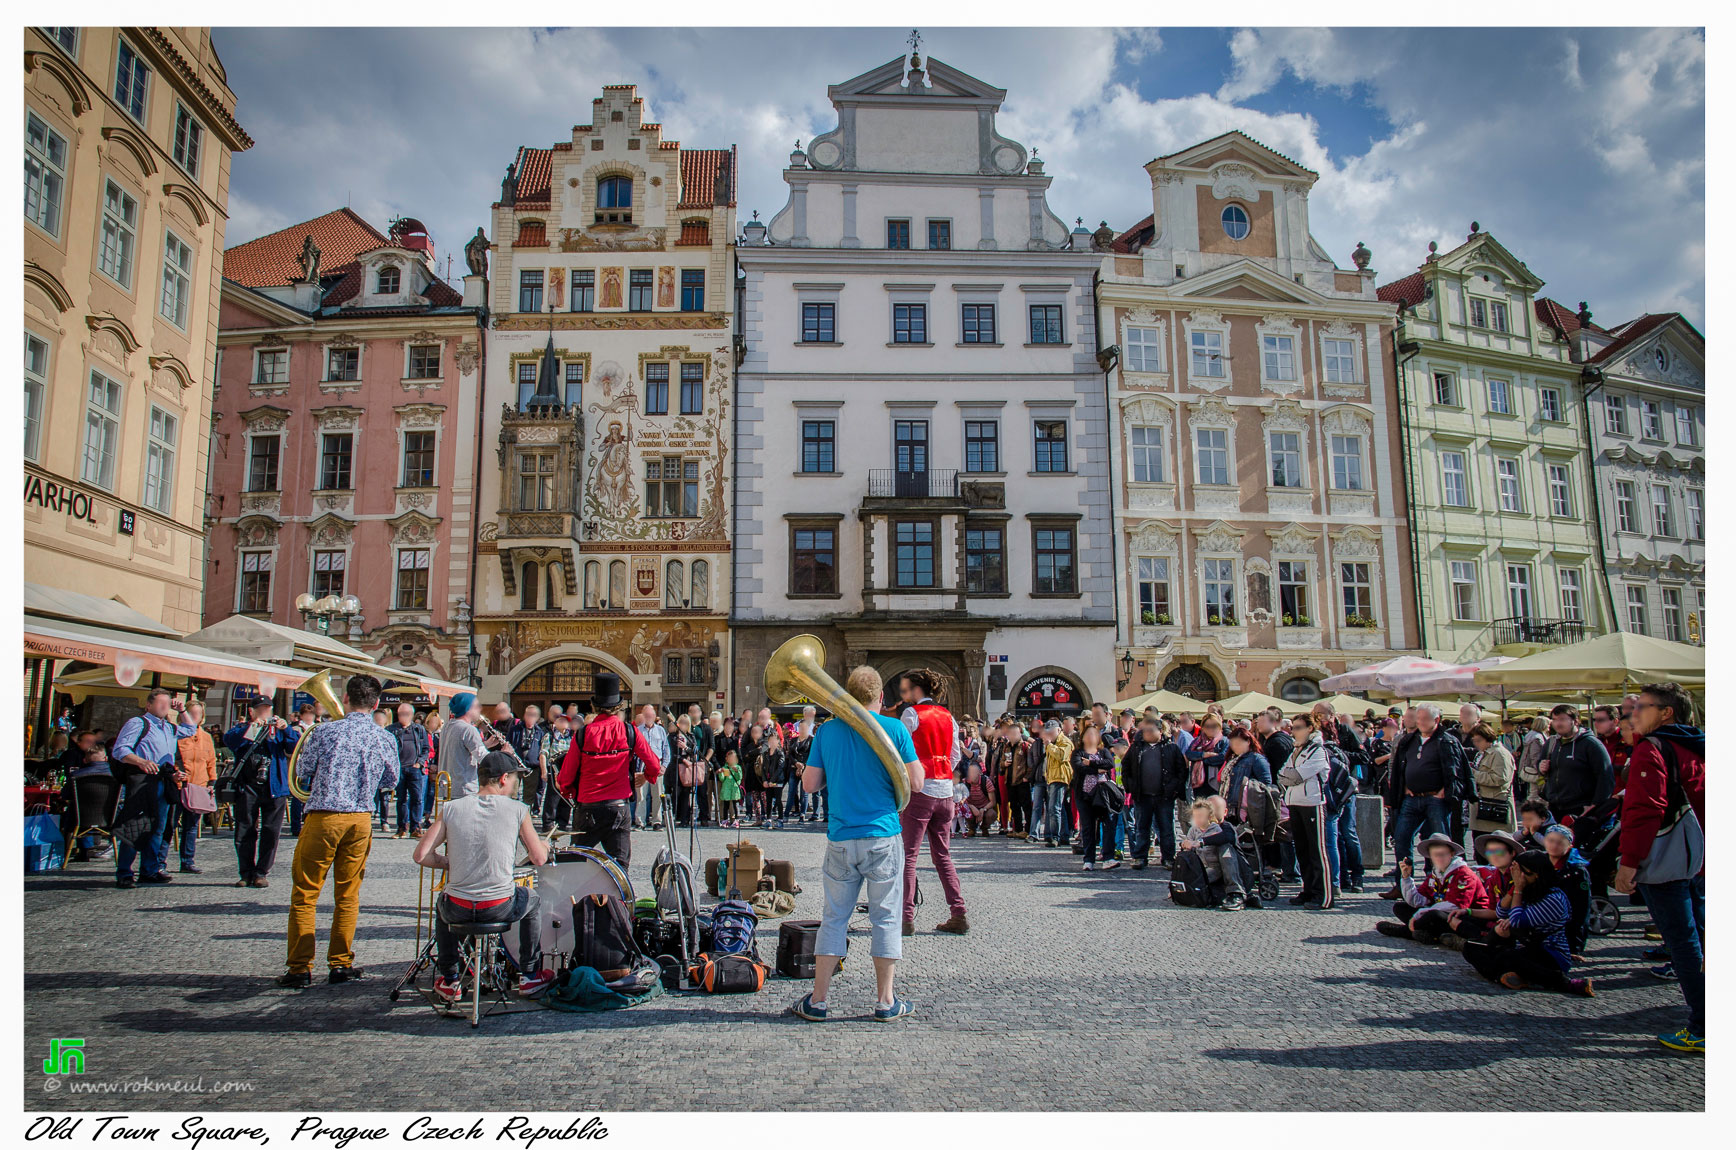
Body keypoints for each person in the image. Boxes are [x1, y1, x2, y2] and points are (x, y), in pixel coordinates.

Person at [789, 665, 923, 1023]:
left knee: (834, 919)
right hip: (882, 834)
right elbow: (918, 781)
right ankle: (885, 1001)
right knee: (886, 918)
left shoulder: (827, 731)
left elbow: (810, 786)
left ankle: (818, 1000)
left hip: (841, 839)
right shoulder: (894, 728)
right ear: (881, 697)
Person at [279, 674, 400, 988]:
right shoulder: (384, 737)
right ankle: (341, 963)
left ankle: (299, 968)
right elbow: (391, 781)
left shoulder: (323, 731)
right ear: (376, 704)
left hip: (324, 816)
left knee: (306, 894)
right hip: (360, 819)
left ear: (345, 698)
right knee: (348, 895)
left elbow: (302, 772)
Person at [413, 750, 556, 1003]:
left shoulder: (452, 808)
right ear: (503, 779)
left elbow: (421, 855)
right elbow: (539, 859)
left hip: (458, 908)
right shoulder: (518, 809)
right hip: (499, 907)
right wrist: (544, 845)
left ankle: (450, 980)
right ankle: (529, 975)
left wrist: (449, 863)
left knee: (442, 901)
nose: (515, 785)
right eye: (515, 779)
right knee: (531, 899)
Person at [1614, 681, 1705, 1054]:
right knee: (1699, 934)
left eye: (1641, 707)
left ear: (1666, 712)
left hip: (1668, 855)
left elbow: (1645, 810)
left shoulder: (1653, 748)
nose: (1633, 714)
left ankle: (1702, 1025)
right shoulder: (1694, 742)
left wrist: (1628, 863)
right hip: (1697, 852)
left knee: (1682, 941)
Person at [555, 673, 662, 867]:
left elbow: (566, 775)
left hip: (588, 806)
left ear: (595, 707)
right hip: (618, 807)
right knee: (620, 868)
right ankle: (619, 898)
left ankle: (580, 897)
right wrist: (646, 777)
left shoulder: (583, 733)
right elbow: (654, 764)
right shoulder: (629, 730)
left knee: (576, 864)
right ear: (618, 707)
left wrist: (568, 790)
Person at [1462, 850, 1594, 997]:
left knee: (1507, 957)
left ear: (1536, 874)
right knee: (1471, 947)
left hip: (1550, 953)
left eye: (1521, 873)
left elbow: (1517, 921)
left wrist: (1518, 888)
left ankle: (1562, 982)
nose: (1518, 877)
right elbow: (1501, 912)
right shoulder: (1529, 890)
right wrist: (1514, 890)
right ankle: (1507, 974)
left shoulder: (1553, 898)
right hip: (1527, 946)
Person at [897, 669, 969, 935]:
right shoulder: (949, 716)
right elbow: (955, 756)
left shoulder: (911, 714)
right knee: (943, 856)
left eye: (907, 689)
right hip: (945, 792)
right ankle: (958, 911)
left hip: (920, 791)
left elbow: (901, 752)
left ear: (917, 690)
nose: (904, 694)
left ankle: (905, 918)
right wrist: (941, 773)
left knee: (909, 856)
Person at [109, 689, 199, 888]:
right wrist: (140, 761)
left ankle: (149, 870)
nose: (165, 707)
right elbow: (120, 750)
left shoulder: (168, 727)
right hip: (142, 781)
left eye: (167, 704)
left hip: (163, 781)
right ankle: (124, 872)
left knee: (159, 827)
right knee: (136, 825)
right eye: (160, 703)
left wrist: (182, 710)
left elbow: (191, 730)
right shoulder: (138, 723)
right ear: (149, 705)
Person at [1380, 702, 1465, 897]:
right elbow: (1400, 766)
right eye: (1418, 719)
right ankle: (1403, 884)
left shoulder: (1446, 741)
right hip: (1412, 798)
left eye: (1424, 719)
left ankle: (1438, 884)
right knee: (1401, 838)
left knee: (1439, 842)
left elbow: (1456, 769)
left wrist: (1445, 790)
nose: (1420, 722)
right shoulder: (1409, 740)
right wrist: (1404, 788)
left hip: (1435, 799)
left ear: (1436, 720)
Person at [225, 699, 298, 888]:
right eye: (261, 710)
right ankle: (245, 872)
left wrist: (286, 729)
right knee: (245, 830)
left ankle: (261, 872)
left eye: (268, 710)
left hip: (274, 787)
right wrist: (251, 728)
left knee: (271, 831)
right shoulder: (242, 728)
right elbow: (230, 742)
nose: (265, 714)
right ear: (252, 711)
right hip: (247, 786)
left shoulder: (278, 731)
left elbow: (295, 747)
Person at [1376, 834, 1490, 943]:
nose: (1438, 859)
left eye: (1442, 854)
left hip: (1469, 917)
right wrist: (1406, 878)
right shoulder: (1436, 873)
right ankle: (1428, 933)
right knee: (1400, 907)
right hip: (1444, 913)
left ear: (1452, 854)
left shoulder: (1463, 874)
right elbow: (1418, 901)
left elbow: (1456, 906)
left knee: (1434, 915)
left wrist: (1421, 913)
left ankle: (1405, 931)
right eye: (1434, 855)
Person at [1279, 712, 1333, 908]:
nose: (1294, 731)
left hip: (1312, 803)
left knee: (1317, 850)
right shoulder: (1297, 750)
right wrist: (1291, 776)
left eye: (1298, 727)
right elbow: (1282, 774)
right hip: (1295, 802)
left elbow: (1298, 775)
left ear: (1310, 728)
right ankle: (1308, 889)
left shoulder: (1318, 750)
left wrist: (1291, 776)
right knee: (1302, 850)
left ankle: (1323, 895)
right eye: (1293, 727)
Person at [1539, 704, 1614, 820]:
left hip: (1581, 808)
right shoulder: (1551, 743)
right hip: (1555, 807)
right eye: (1554, 720)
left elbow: (1606, 776)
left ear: (1575, 721)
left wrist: (1596, 805)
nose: (1558, 724)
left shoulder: (1591, 744)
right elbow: (1541, 765)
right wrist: (1541, 766)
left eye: (1563, 719)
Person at [1176, 798, 1248, 910]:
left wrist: (1200, 842)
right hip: (1207, 868)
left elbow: (1226, 837)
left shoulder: (1225, 827)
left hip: (1232, 871)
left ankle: (1236, 893)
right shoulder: (1195, 830)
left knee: (1225, 847)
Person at [173, 702, 217, 873]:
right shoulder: (176, 734)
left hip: (198, 785)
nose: (195, 716)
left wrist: (212, 781)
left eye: (198, 713)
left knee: (191, 826)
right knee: (170, 825)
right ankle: (159, 862)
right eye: (191, 713)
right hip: (178, 785)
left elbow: (211, 761)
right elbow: (171, 758)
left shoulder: (206, 737)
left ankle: (187, 861)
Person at [1070, 725, 1118, 871]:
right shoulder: (1078, 752)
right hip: (1084, 794)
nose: (1091, 737)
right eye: (1088, 734)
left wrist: (1090, 763)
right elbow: (1079, 767)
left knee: (1108, 825)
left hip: (1103, 795)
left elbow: (1110, 764)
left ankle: (1108, 857)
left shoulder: (1103, 751)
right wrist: (1097, 769)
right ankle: (1089, 859)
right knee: (1088, 827)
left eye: (1094, 734)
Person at [438, 693, 497, 798]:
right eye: (477, 706)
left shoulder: (447, 726)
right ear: (468, 708)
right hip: (464, 787)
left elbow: (460, 750)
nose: (480, 709)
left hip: (447, 786)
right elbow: (483, 758)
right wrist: (505, 754)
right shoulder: (468, 729)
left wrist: (486, 744)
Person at [386, 702, 432, 840]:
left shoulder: (418, 729)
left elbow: (426, 748)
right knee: (401, 799)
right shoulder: (391, 730)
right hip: (399, 768)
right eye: (401, 714)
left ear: (411, 715)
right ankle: (401, 828)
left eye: (406, 714)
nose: (403, 717)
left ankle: (415, 827)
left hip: (414, 768)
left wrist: (419, 762)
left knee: (417, 798)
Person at [1467, 722, 1516, 836]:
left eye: (1478, 740)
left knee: (1491, 846)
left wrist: (1474, 774)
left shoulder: (1499, 753)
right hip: (1483, 806)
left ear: (1487, 738)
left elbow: (1500, 779)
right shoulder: (1483, 753)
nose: (1475, 744)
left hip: (1495, 807)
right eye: (1474, 740)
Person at [1035, 719, 1074, 848]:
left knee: (1054, 809)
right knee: (1059, 809)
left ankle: (1055, 837)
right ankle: (1064, 836)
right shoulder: (1052, 743)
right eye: (1048, 733)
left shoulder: (1065, 742)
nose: (1050, 735)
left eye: (1052, 732)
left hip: (1060, 778)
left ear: (1058, 730)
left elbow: (1062, 756)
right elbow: (1048, 762)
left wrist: (1049, 745)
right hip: (1052, 778)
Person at [632, 704, 670, 830]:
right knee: (641, 795)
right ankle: (640, 821)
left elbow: (666, 749)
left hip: (657, 765)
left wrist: (664, 765)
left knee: (658, 794)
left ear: (654, 716)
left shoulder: (661, 730)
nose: (649, 717)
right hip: (642, 765)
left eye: (651, 715)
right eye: (646, 715)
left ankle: (656, 821)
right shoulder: (638, 730)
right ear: (643, 715)